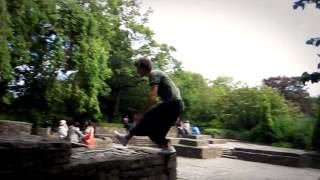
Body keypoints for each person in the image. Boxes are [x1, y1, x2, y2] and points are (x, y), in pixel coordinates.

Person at [114, 57, 184, 154]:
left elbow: (152, 97)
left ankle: (126, 138)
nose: (137, 71)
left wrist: (142, 113)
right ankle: (167, 147)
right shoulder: (155, 74)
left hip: (173, 105)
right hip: (174, 106)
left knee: (145, 117)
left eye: (137, 68)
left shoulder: (154, 74)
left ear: (143, 67)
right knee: (154, 133)